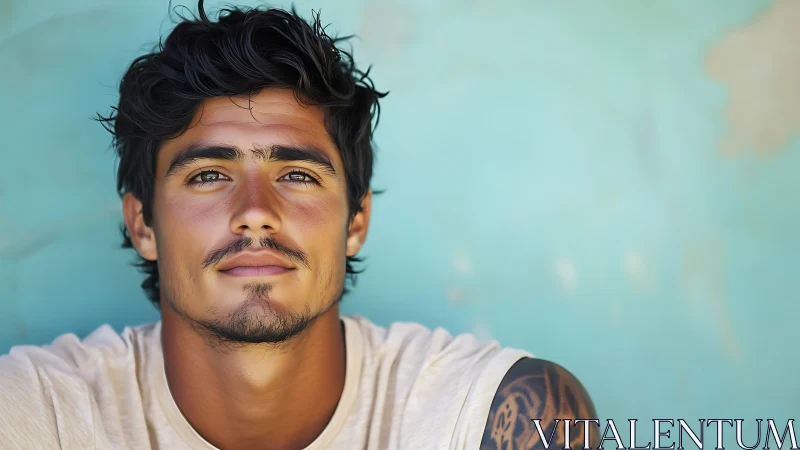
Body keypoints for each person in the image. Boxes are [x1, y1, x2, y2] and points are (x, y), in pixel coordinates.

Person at [0, 2, 598, 449]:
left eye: (298, 175)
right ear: (144, 225)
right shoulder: (34, 415)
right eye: (208, 175)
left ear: (356, 220)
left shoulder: (493, 418)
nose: (255, 209)